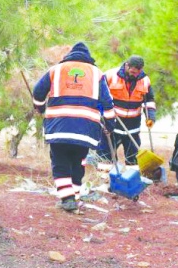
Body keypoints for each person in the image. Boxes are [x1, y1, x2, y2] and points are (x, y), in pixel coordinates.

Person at [32, 42, 117, 212]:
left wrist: (40, 107)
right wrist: (110, 124)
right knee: (78, 163)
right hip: (85, 129)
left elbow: (37, 91)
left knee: (60, 161)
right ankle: (74, 199)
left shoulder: (56, 70)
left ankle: (67, 199)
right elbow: (107, 102)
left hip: (59, 126)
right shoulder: (96, 73)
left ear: (70, 55)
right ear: (88, 57)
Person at [96, 56, 157, 167]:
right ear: (126, 65)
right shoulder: (110, 75)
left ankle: (131, 181)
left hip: (133, 126)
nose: (135, 75)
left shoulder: (144, 80)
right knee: (105, 156)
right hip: (112, 124)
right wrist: (101, 114)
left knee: (133, 158)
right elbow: (98, 96)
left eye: (137, 72)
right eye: (133, 72)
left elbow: (149, 100)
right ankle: (104, 180)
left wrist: (151, 117)